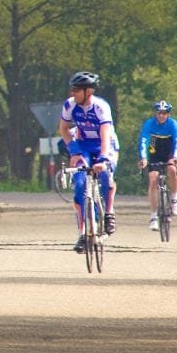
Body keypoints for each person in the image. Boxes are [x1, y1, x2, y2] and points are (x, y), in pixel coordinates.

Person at [58, 71, 118, 251]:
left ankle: (108, 213)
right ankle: (83, 233)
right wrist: (74, 152)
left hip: (104, 145)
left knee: (106, 175)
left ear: (88, 92)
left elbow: (106, 134)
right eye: (72, 89)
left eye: (77, 90)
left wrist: (103, 159)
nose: (72, 93)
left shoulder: (100, 107)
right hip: (83, 145)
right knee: (79, 184)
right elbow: (64, 129)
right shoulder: (69, 105)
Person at [138, 99, 177, 228]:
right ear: (155, 114)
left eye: (164, 113)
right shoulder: (149, 124)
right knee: (153, 180)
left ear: (168, 114)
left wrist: (176, 157)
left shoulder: (173, 124)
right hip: (154, 152)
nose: (161, 115)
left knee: (172, 170)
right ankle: (153, 216)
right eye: (159, 113)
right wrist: (143, 158)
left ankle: (174, 198)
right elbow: (143, 141)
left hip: (169, 152)